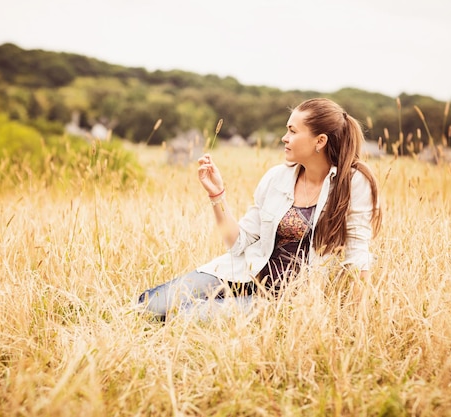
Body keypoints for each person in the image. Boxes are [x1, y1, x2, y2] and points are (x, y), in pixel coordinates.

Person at [137, 98, 382, 321]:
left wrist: (355, 323)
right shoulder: (277, 177)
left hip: (284, 300)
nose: (284, 138)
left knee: (182, 317)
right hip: (244, 274)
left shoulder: (353, 182)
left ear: (320, 141)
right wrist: (216, 195)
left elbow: (357, 256)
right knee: (149, 306)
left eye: (292, 131)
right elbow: (237, 243)